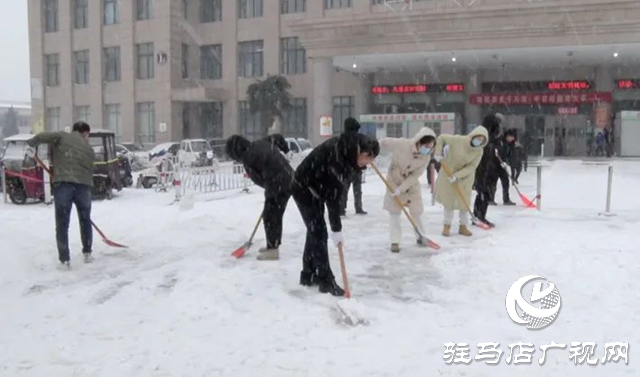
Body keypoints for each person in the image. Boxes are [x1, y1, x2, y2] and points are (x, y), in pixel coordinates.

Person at [293, 118, 379, 296]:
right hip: (303, 187)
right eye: (367, 158)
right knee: (319, 232)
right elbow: (334, 200)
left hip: (317, 188)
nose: (368, 163)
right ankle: (325, 280)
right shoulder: (338, 158)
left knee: (314, 230)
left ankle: (308, 274)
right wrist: (337, 229)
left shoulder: (350, 152)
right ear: (360, 151)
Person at [26, 122, 96, 269]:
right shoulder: (89, 149)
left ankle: (65, 260)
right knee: (85, 220)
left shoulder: (62, 136)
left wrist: (31, 144)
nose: (87, 138)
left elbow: (43, 136)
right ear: (84, 133)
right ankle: (87, 252)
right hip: (83, 186)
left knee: (62, 223)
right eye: (87, 135)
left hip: (64, 184)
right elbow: (90, 170)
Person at [226, 134, 295, 261]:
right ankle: (273, 245)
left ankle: (272, 249)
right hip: (288, 178)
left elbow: (264, 178)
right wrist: (286, 150)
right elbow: (277, 137)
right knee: (275, 214)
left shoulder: (249, 159)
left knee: (270, 216)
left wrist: (270, 196)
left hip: (279, 183)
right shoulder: (260, 142)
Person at [380, 127, 436, 253]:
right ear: (419, 142)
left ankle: (421, 236)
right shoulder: (402, 144)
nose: (428, 149)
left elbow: (415, 175)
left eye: (431, 147)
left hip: (411, 186)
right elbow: (384, 142)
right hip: (393, 182)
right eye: (426, 146)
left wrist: (402, 188)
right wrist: (372, 147)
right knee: (394, 213)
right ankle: (395, 241)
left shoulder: (425, 157)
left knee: (417, 212)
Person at [434, 126, 488, 237]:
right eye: (478, 138)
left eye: (482, 141)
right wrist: (438, 152)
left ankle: (463, 227)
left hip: (465, 177)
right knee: (449, 202)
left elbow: (472, 166)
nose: (478, 142)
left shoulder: (479, 151)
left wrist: (457, 176)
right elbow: (441, 138)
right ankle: (446, 226)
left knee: (464, 203)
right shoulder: (459, 140)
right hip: (448, 172)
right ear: (473, 135)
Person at [473, 114, 503, 228]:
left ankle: (479, 216)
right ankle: (478, 216)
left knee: (485, 194)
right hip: (480, 169)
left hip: (487, 169)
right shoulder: (483, 136)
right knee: (483, 193)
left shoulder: (490, 137)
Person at [340, 118, 367, 216]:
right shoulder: (360, 138)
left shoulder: (342, 138)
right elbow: (366, 151)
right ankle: (358, 208)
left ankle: (341, 209)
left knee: (344, 189)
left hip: (346, 168)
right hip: (357, 167)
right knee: (357, 189)